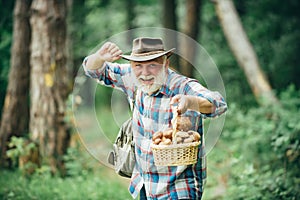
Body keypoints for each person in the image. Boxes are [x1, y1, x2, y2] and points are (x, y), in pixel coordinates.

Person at [83, 37, 227, 199]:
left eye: (152, 65)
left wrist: (191, 101)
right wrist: (99, 57)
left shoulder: (182, 86)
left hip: (179, 187)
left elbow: (218, 104)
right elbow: (93, 70)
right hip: (145, 184)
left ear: (165, 64)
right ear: (132, 66)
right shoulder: (132, 78)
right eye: (138, 65)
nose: (145, 73)